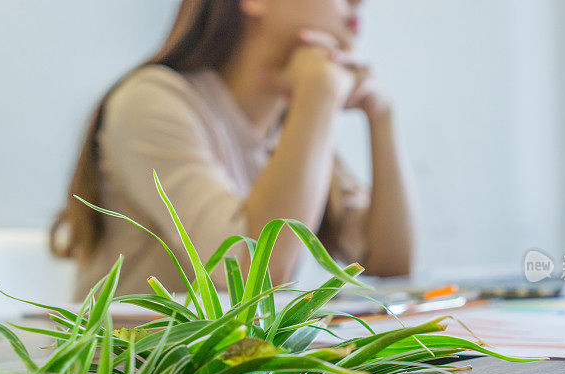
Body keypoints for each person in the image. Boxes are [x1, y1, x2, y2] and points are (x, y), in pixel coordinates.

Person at [51, 0, 416, 299]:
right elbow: (253, 274)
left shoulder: (289, 122)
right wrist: (319, 93)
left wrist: (382, 115)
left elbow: (389, 264)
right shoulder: (151, 101)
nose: (359, 2)